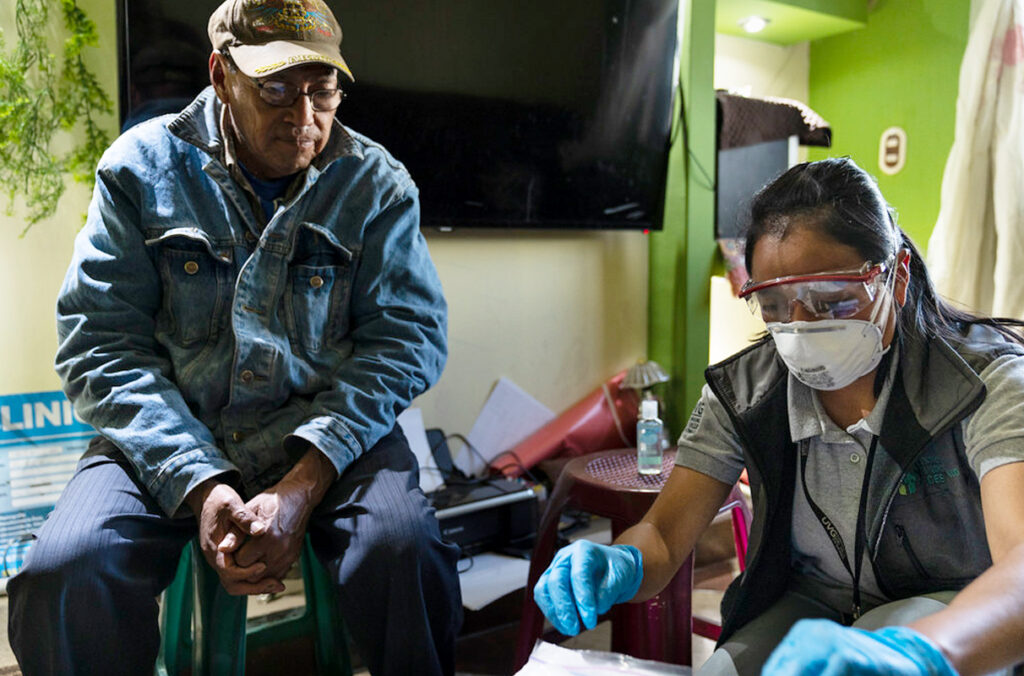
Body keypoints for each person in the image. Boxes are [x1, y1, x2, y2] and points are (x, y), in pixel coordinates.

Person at [7, 1, 462, 674]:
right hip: (173, 429)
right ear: (221, 77)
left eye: (323, 91)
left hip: (327, 435)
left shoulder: (376, 183)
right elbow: (98, 343)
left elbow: (407, 340)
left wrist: (304, 484)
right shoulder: (139, 170)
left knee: (405, 552)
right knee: (66, 572)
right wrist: (200, 484)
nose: (303, 118)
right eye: (276, 91)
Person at [533, 157, 1024, 676]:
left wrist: (924, 654)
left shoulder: (983, 384)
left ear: (896, 280)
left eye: (830, 302)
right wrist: (621, 563)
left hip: (947, 608)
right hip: (806, 602)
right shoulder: (746, 391)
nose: (800, 328)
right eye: (773, 305)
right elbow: (662, 537)